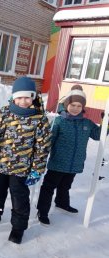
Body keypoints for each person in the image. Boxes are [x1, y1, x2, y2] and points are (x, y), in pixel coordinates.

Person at [0, 76, 51, 244]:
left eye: (27, 97)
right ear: (13, 97)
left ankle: (18, 228)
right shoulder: (4, 113)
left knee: (19, 198)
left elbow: (42, 147)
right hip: (2, 164)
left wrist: (37, 169)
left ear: (33, 97)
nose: (23, 101)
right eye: (19, 97)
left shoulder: (39, 119)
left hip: (22, 168)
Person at [36, 85, 102, 225]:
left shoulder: (87, 123)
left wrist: (105, 123)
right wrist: (41, 155)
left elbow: (98, 135)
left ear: (82, 107)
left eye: (79, 105)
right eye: (72, 105)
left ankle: (61, 203)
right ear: (66, 104)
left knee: (65, 186)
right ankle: (42, 211)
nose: (75, 108)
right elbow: (49, 142)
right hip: (58, 163)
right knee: (48, 187)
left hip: (75, 164)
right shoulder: (59, 122)